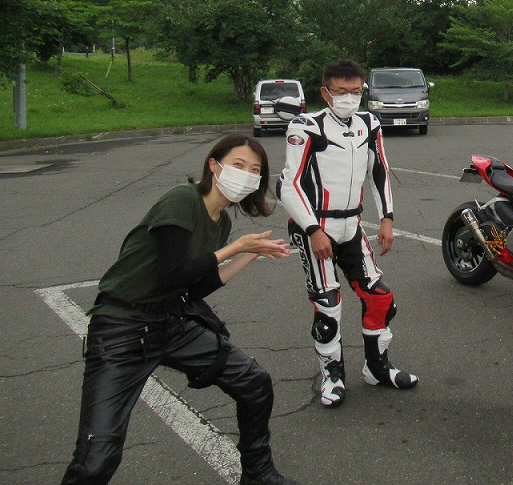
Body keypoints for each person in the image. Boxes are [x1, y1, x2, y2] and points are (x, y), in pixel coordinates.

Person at [61, 134, 297, 485]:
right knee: (96, 460)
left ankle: (258, 474)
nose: (246, 174)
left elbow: (193, 288)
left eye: (254, 170)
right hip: (121, 328)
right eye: (238, 165)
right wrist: (233, 249)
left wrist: (249, 255)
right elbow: (170, 274)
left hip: (171, 322)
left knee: (253, 382)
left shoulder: (221, 221)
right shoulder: (182, 199)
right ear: (214, 165)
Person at [279, 59, 417, 409]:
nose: (349, 98)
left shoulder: (369, 123)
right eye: (341, 92)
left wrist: (387, 219)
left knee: (381, 298)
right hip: (316, 227)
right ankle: (332, 375)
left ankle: (376, 368)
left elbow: (379, 170)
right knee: (328, 306)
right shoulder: (306, 126)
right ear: (325, 92)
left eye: (356, 92)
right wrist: (312, 229)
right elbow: (289, 184)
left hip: (352, 226)